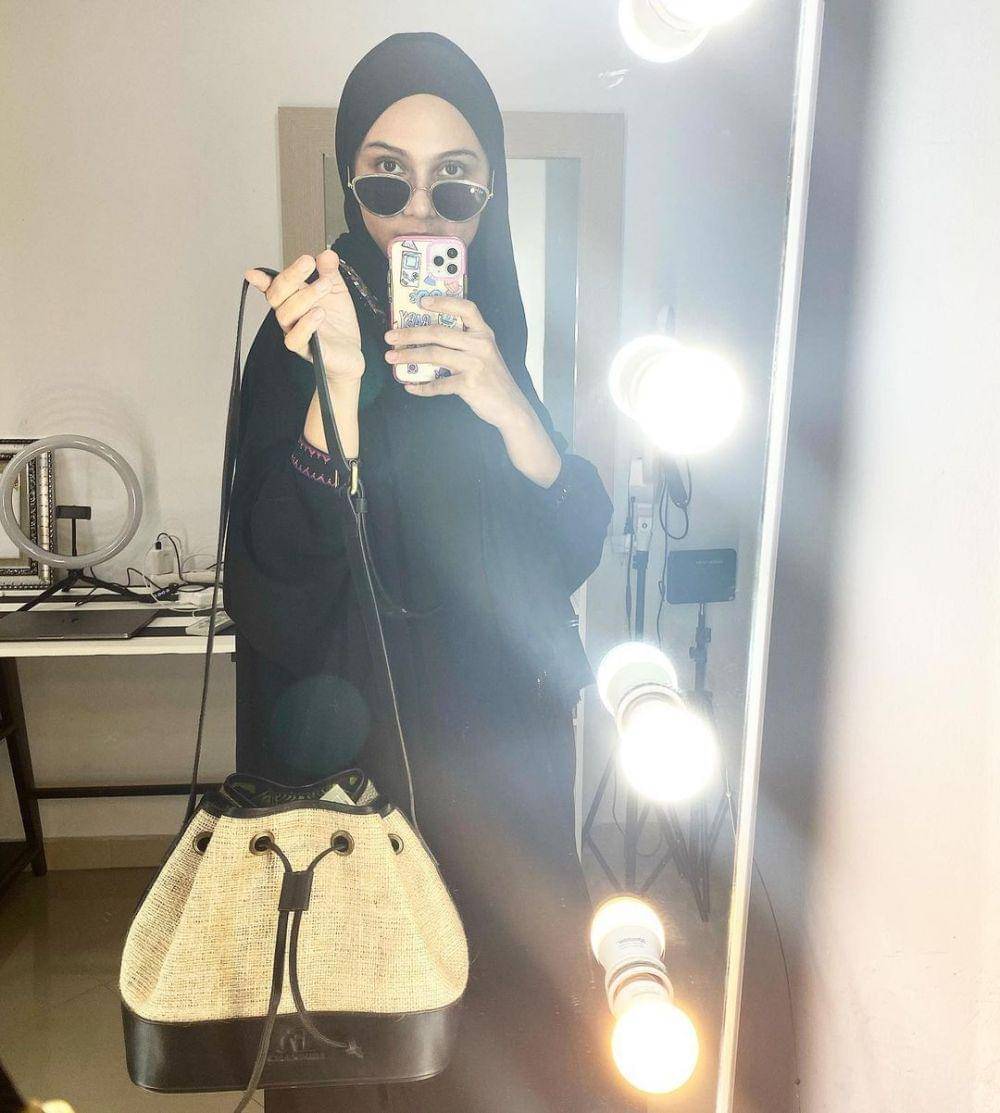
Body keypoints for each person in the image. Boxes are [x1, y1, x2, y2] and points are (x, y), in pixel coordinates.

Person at [227, 31, 639, 1113]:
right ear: (348, 184)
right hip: (353, 777)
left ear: (486, 196)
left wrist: (506, 405)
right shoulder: (296, 340)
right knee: (371, 1050)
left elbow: (567, 547)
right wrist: (337, 390)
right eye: (385, 177)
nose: (419, 212)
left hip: (502, 778)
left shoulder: (493, 338)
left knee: (514, 1047)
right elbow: (269, 582)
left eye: (454, 182)